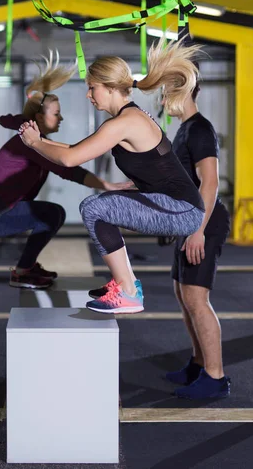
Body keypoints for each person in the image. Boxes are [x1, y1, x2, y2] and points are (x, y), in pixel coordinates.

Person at [19, 40, 206, 315]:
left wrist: (36, 144)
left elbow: (70, 160)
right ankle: (126, 285)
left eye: (91, 88)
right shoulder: (123, 119)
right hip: (175, 204)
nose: (88, 95)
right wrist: (36, 140)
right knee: (101, 205)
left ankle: (128, 292)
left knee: (95, 208)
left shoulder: (126, 122)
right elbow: (73, 149)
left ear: (109, 88)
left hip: (182, 209)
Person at [0, 54, 131, 289]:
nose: (61, 117)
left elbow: (8, 120)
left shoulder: (34, 140)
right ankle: (23, 272)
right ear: (39, 117)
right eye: (56, 113)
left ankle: (26, 268)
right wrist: (108, 185)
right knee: (52, 214)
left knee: (51, 214)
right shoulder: (31, 143)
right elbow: (67, 168)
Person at [164, 69, 231, 399]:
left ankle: (215, 377)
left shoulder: (200, 129)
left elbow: (211, 182)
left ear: (183, 92)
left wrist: (198, 231)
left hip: (204, 223)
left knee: (196, 298)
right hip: (187, 223)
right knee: (182, 294)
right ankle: (197, 363)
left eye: (166, 93)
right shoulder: (184, 130)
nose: (162, 99)